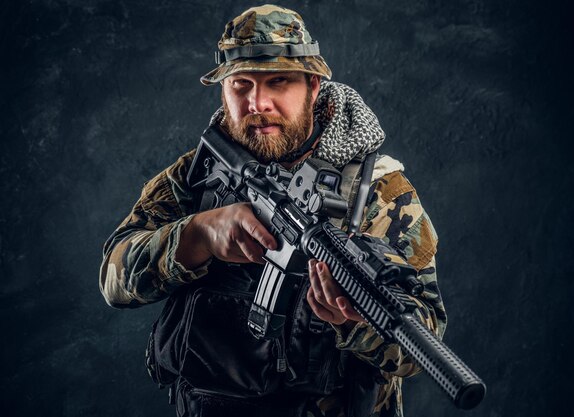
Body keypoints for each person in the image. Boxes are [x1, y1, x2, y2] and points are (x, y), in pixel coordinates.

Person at [100, 4, 446, 417]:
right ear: (223, 90)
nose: (257, 103)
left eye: (278, 82)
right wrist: (196, 235)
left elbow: (422, 345)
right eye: (240, 85)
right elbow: (113, 280)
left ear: (313, 87)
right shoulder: (200, 172)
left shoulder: (381, 194)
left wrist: (354, 321)